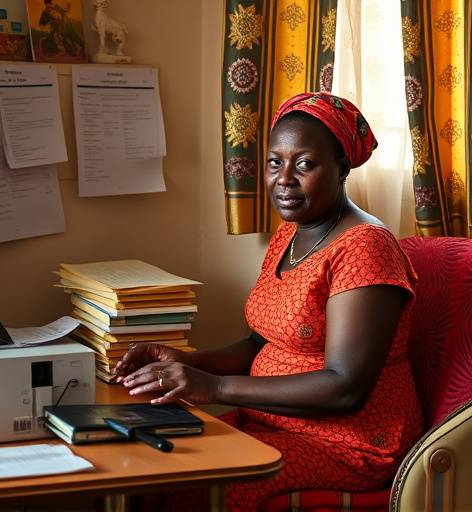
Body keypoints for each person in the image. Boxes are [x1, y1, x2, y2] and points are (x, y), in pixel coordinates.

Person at [114, 92, 424, 511]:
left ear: (343, 169)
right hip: (269, 421)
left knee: (200, 489)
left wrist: (217, 387)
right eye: (275, 162)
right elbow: (260, 344)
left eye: (305, 164)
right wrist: (188, 362)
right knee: (144, 462)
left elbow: (345, 387)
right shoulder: (292, 232)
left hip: (346, 443)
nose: (284, 179)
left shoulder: (365, 248)